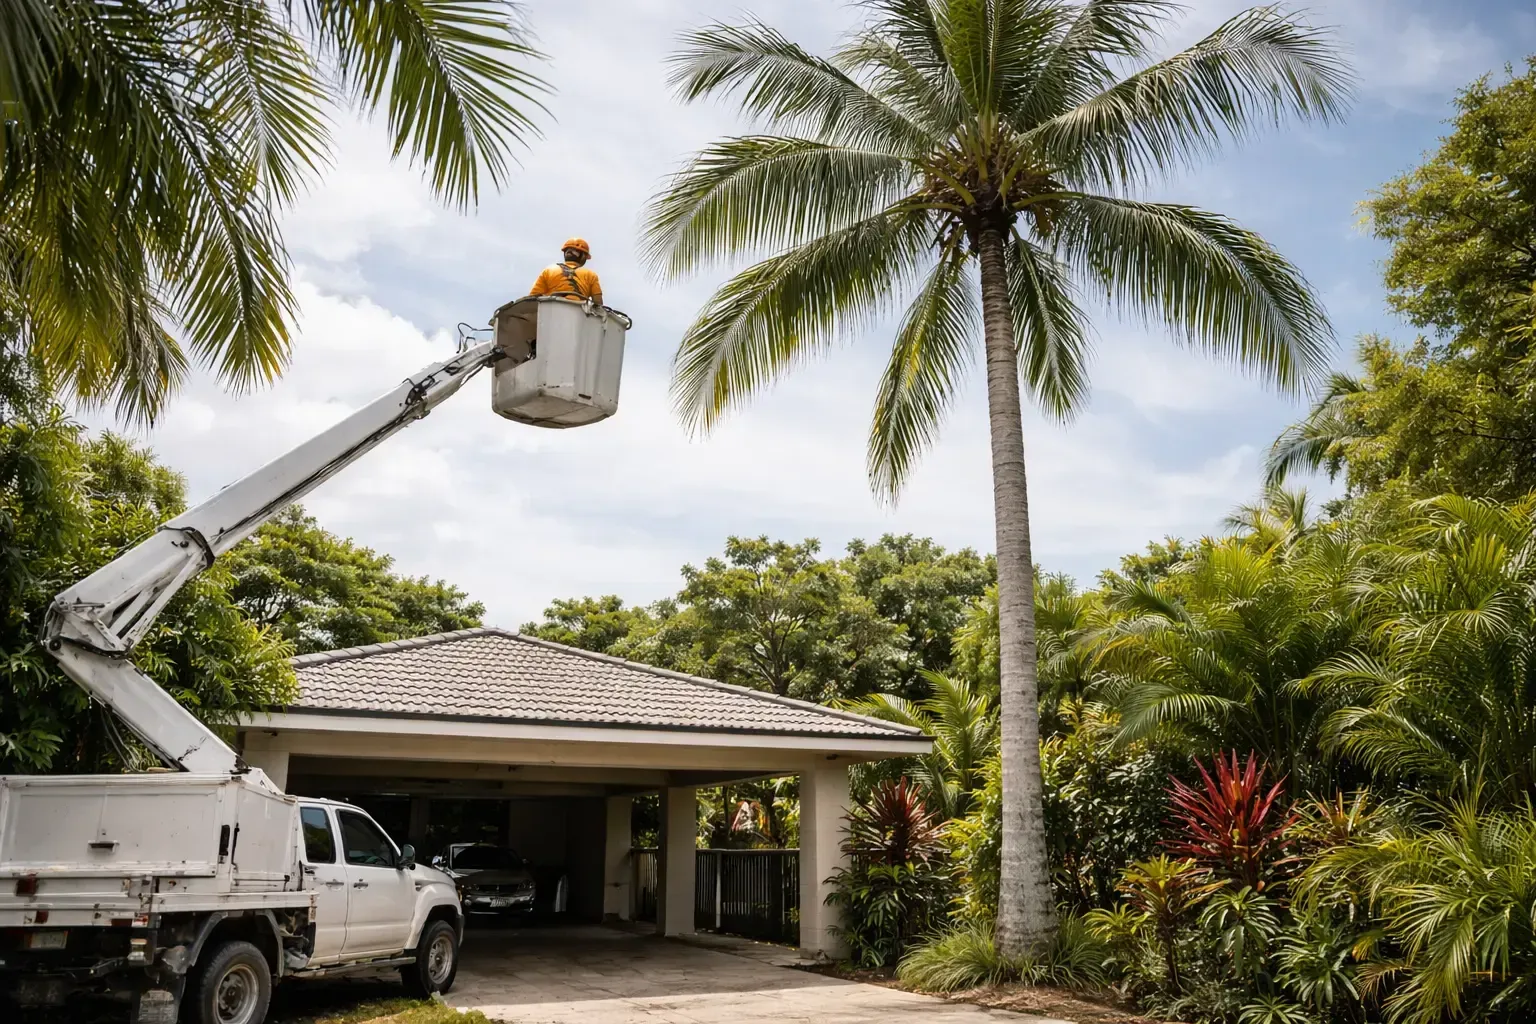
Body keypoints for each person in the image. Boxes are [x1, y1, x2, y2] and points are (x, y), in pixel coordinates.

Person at [528, 238, 602, 304]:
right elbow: (598, 303)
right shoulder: (591, 275)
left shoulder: (549, 270)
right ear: (582, 256)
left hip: (551, 311)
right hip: (580, 313)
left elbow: (532, 298)